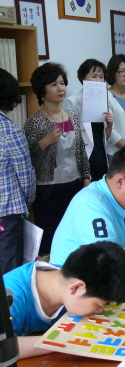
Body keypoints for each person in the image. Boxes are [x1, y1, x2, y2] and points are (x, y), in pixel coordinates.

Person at [4, 240, 125, 359]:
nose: (100, 311)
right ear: (76, 288)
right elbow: (3, 349)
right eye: (98, 305)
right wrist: (62, 340)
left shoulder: (74, 275)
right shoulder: (10, 297)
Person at [24, 62, 91, 255]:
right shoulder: (35, 122)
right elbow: (27, 158)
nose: (60, 88)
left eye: (62, 83)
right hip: (48, 189)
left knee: (75, 233)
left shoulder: (71, 115)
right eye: (53, 84)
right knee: (51, 237)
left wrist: (86, 179)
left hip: (74, 184)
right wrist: (43, 143)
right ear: (41, 90)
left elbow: (80, 150)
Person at [0, 68, 36, 273]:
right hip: (7, 214)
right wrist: (27, 202)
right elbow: (25, 176)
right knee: (9, 276)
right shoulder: (10, 131)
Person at [63, 59, 115, 181]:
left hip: (101, 156)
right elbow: (68, 135)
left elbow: (104, 137)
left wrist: (109, 126)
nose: (98, 80)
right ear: (83, 78)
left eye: (101, 77)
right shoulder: (72, 101)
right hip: (83, 158)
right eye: (94, 76)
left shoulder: (104, 101)